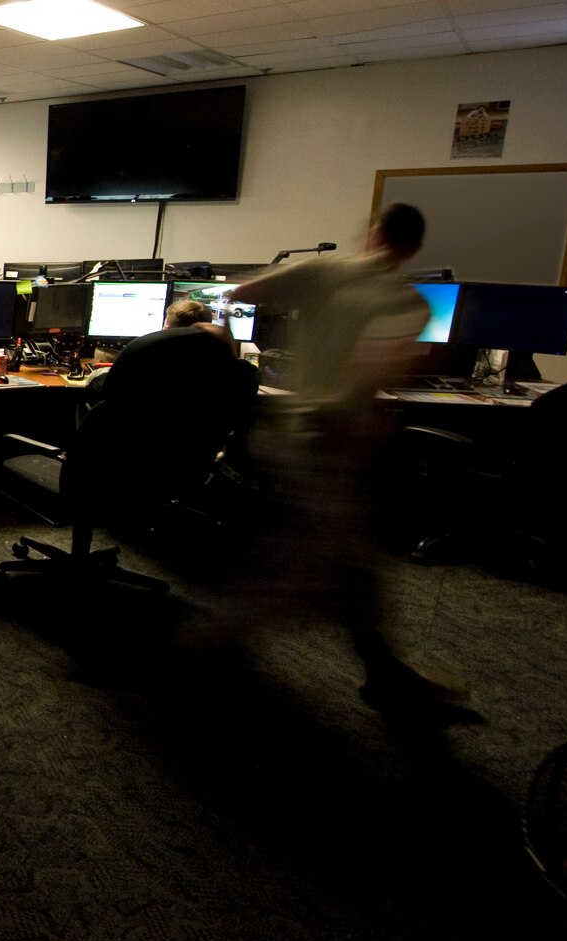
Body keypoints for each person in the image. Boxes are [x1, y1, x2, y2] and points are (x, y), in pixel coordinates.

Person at [223, 203, 471, 716]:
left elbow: (242, 293)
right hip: (330, 441)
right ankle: (190, 654)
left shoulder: (324, 270)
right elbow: (373, 365)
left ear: (374, 234)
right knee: (294, 575)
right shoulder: (410, 301)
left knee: (345, 570)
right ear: (411, 249)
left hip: (290, 427)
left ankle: (384, 672)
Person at [84, 299, 250, 408]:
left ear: (167, 328)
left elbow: (110, 389)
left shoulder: (145, 356)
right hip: (196, 455)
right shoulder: (231, 371)